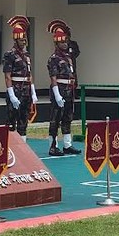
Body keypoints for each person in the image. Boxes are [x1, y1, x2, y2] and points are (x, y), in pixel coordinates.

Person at [46, 19, 80, 157]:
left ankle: (67, 144)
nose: (65, 44)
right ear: (56, 43)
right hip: (59, 89)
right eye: (61, 42)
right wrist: (57, 94)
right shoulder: (53, 58)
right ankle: (53, 146)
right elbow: (53, 78)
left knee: (68, 117)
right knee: (55, 118)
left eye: (66, 41)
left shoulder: (69, 57)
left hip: (69, 90)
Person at [1, 16, 34, 136]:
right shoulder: (10, 55)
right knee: (11, 121)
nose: (24, 42)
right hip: (15, 89)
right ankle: (10, 148)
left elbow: (30, 73)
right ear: (16, 40)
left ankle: (23, 147)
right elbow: (7, 76)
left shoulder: (26, 54)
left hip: (26, 90)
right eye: (22, 40)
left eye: (25, 40)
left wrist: (33, 91)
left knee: (23, 120)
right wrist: (12, 95)